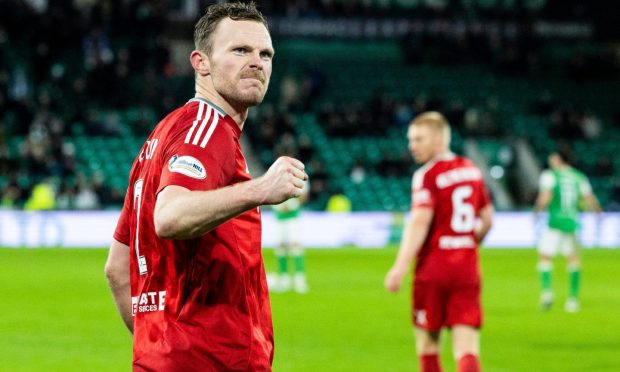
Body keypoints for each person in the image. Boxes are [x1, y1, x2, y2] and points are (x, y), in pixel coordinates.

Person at [104, 3, 308, 371]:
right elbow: (169, 217)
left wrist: (163, 347)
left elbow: (117, 268)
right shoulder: (207, 128)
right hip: (212, 358)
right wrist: (260, 190)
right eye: (240, 50)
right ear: (201, 62)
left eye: (266, 53)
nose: (257, 62)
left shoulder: (163, 135)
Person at [384, 112, 494, 372]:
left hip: (433, 270)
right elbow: (488, 219)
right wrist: (468, 242)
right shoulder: (471, 170)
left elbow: (420, 222)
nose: (412, 145)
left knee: (429, 347)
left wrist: (400, 266)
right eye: (411, 140)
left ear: (439, 138)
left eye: (418, 139)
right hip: (467, 269)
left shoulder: (427, 174)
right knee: (467, 349)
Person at [534, 151, 602, 313]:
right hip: (572, 222)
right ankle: (572, 300)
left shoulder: (550, 175)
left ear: (559, 159)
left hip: (555, 223)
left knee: (545, 256)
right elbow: (589, 198)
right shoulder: (579, 177)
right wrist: (598, 212)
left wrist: (537, 210)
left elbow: (546, 196)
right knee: (573, 260)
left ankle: (547, 294)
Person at [270, 180, 309, 293]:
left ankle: (299, 278)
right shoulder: (275, 173)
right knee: (281, 247)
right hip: (279, 217)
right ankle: (284, 278)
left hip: (293, 217)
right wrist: (278, 206)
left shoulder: (299, 175)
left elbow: (304, 195)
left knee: (295, 246)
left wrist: (293, 204)